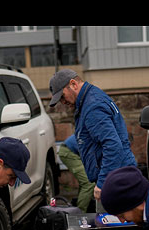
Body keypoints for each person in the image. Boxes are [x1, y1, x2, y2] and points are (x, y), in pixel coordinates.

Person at [49, 69, 136, 212]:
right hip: (118, 175)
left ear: (73, 84)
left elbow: (112, 145)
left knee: (112, 229)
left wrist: (102, 183)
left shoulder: (92, 107)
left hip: (114, 180)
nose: (63, 102)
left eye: (63, 96)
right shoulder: (92, 98)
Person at [56, 134, 95, 212]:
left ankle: (86, 208)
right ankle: (80, 213)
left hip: (73, 150)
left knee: (85, 182)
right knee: (88, 183)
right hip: (69, 152)